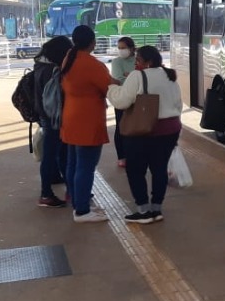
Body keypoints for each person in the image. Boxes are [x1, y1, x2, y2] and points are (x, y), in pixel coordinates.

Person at [107, 45, 183, 224]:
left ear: (148, 62)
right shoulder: (170, 75)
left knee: (135, 170)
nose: (136, 63)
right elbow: (178, 104)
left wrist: (111, 88)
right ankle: (156, 209)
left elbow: (122, 102)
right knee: (159, 169)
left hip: (145, 129)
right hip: (171, 129)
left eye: (138, 60)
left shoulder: (138, 76)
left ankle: (143, 211)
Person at [61, 25, 117, 223]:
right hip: (88, 120)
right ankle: (82, 211)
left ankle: (78, 203)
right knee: (85, 166)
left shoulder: (69, 58)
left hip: (70, 117)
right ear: (92, 42)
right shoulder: (91, 64)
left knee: (73, 164)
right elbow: (109, 86)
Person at [34, 36, 73, 208]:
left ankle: (69, 188)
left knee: (56, 154)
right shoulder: (54, 71)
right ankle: (46, 194)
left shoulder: (40, 66)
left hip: (46, 116)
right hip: (54, 118)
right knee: (54, 155)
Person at [109, 36, 137, 168]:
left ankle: (134, 153)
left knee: (136, 127)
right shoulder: (116, 62)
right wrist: (134, 76)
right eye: (119, 48)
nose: (121, 50)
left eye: (123, 48)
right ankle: (122, 156)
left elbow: (143, 76)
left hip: (137, 99)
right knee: (121, 126)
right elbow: (118, 79)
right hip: (122, 98)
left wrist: (128, 75)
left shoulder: (138, 59)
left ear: (131, 48)